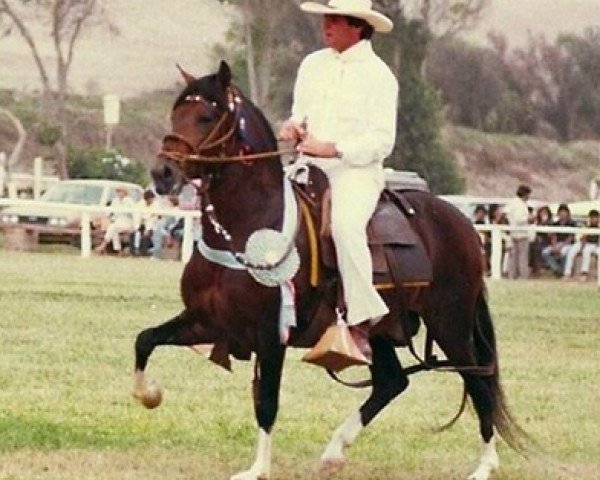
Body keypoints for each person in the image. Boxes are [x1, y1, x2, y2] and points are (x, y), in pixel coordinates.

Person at [278, 0, 397, 360]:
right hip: (305, 165)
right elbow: (300, 113)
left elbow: (382, 141)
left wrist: (334, 149)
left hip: (354, 172)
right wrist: (291, 126)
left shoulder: (379, 76)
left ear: (357, 26)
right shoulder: (311, 65)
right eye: (325, 18)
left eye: (333, 19)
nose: (325, 25)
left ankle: (361, 319)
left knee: (344, 228)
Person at [95, 185, 135, 255]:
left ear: (125, 193)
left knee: (113, 227)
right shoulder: (115, 201)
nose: (119, 193)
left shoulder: (129, 201)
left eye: (121, 192)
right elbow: (109, 212)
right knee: (113, 229)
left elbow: (133, 214)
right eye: (118, 192)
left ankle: (103, 245)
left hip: (127, 221)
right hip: (117, 222)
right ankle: (119, 251)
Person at [504, 185, 534, 279]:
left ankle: (512, 275)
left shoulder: (512, 203)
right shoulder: (520, 205)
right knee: (522, 257)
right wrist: (529, 218)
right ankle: (522, 275)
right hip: (521, 233)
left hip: (513, 232)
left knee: (513, 256)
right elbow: (519, 219)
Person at [563, 209, 599, 281]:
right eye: (592, 217)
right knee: (572, 251)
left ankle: (584, 273)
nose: (594, 219)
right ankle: (567, 273)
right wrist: (582, 245)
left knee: (586, 250)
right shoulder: (585, 226)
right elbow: (581, 237)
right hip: (583, 243)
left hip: (594, 245)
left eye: (596, 217)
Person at [541, 203, 576, 277]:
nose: (562, 214)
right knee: (545, 252)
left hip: (568, 245)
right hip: (557, 244)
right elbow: (553, 236)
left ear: (567, 213)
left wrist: (561, 246)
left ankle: (563, 271)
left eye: (564, 212)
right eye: (561, 212)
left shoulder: (572, 224)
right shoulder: (555, 224)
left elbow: (571, 237)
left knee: (563, 252)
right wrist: (555, 246)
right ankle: (557, 269)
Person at [131, 189, 158, 256]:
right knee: (133, 235)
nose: (151, 201)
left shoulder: (156, 205)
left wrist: (147, 229)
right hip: (140, 224)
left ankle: (143, 254)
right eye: (150, 199)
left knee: (145, 237)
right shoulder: (139, 205)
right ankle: (134, 252)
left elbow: (153, 218)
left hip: (151, 226)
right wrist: (136, 227)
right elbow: (137, 217)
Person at [530, 205, 553, 277]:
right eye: (542, 213)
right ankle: (534, 268)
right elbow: (536, 234)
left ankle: (541, 268)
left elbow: (551, 235)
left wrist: (545, 224)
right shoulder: (537, 223)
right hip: (539, 241)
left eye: (545, 213)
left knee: (539, 248)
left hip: (548, 241)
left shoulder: (551, 223)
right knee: (533, 247)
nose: (543, 214)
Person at [472, 204, 490, 274]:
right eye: (480, 213)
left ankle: (484, 270)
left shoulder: (486, 224)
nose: (481, 215)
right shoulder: (472, 223)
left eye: (483, 213)